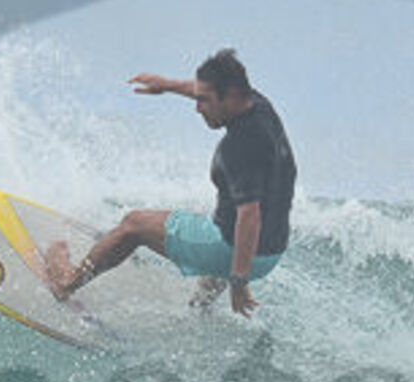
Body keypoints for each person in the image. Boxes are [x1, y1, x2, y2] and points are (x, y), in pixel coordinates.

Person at [44, 48, 296, 317]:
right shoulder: (259, 106)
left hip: (236, 252)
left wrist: (239, 281)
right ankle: (200, 311)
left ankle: (66, 283)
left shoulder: (240, 146)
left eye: (204, 101)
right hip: (270, 253)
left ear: (231, 96)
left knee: (134, 224)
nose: (197, 108)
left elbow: (250, 216)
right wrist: (167, 85)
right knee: (218, 222)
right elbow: (207, 89)